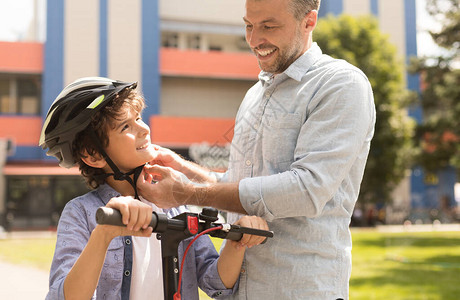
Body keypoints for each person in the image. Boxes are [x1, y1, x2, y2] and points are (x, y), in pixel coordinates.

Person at [137, 0, 376, 299]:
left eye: (268, 26)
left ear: (309, 21)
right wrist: (183, 169)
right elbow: (239, 190)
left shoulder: (340, 84)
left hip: (301, 291)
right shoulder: (254, 95)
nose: (253, 40)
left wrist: (185, 193)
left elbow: (306, 189)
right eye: (249, 25)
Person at [39, 77, 268, 300]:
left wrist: (237, 243)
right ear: (94, 154)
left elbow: (215, 284)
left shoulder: (175, 207)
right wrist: (104, 233)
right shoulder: (82, 213)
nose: (144, 129)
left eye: (138, 118)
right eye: (125, 126)